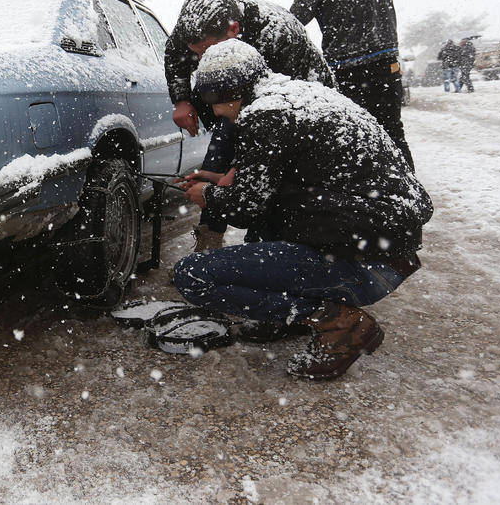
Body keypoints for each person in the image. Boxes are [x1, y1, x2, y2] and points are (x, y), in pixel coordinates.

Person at [173, 40, 432, 381]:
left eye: (212, 101)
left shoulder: (265, 115)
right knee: (267, 226)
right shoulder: (300, 97)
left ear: (229, 92)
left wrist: (208, 195)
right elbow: (291, 182)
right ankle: (291, 316)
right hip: (388, 252)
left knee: (193, 275)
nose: (217, 113)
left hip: (366, 265)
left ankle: (339, 323)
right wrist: (222, 180)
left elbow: (243, 208)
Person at [163, 0, 335, 252]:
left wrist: (240, 166)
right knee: (219, 152)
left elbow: (274, 127)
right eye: (198, 55)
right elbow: (175, 57)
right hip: (247, 99)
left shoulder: (277, 36)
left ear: (234, 29)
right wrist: (182, 100)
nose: (205, 61)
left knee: (268, 178)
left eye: (209, 52)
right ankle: (209, 241)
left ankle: (263, 246)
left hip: (299, 101)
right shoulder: (192, 26)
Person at [291, 0, 415, 170]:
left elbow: (299, 16)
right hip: (387, 58)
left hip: (348, 66)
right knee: (392, 129)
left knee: (357, 135)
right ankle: (409, 185)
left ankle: (372, 185)